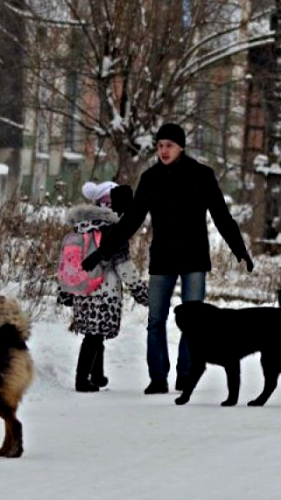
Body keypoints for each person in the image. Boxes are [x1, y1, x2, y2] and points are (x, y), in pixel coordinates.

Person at [82, 123, 254, 394]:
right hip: (161, 259)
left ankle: (185, 374)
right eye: (160, 145)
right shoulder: (151, 178)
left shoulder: (202, 175)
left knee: (194, 322)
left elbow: (222, 215)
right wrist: (103, 251)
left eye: (169, 145)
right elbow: (131, 220)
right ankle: (158, 377)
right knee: (155, 320)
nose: (163, 150)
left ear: (181, 147)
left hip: (194, 259)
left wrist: (239, 248)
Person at [59, 180, 149, 392]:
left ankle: (97, 375)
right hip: (104, 290)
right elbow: (124, 265)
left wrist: (64, 290)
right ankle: (82, 380)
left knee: (94, 333)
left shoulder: (80, 227)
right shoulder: (113, 230)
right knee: (93, 336)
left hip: (82, 288)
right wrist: (140, 291)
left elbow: (66, 260)